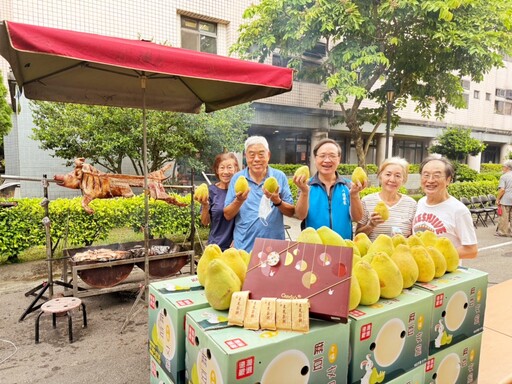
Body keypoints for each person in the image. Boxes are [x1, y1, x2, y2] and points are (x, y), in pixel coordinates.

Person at [224, 136, 295, 252]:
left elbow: (291, 212)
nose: (256, 159)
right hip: (244, 248)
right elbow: (227, 215)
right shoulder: (238, 178)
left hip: (274, 250)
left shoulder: (279, 177)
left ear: (268, 155)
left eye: (261, 154)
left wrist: (277, 201)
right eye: (251, 155)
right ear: (246, 157)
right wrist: (239, 201)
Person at [294, 138, 366, 239]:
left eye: (332, 156)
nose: (327, 160)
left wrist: (354, 195)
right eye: (322, 156)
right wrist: (305, 193)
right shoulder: (306, 185)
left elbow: (357, 218)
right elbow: (300, 216)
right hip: (314, 247)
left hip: (342, 247)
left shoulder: (349, 186)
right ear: (315, 159)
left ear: (339, 159)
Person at [412, 156, 478, 259]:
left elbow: (471, 251)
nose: (430, 180)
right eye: (426, 175)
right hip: (421, 270)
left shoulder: (459, 210)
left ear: (448, 180)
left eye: (436, 175)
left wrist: (436, 257)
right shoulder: (420, 203)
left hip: (445, 273)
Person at [355, 157, 417, 241]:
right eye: (388, 174)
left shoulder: (411, 204)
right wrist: (371, 225)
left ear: (403, 179)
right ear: (380, 176)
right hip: (373, 253)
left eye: (397, 176)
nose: (392, 179)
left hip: (400, 252)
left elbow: (414, 237)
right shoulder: (367, 201)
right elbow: (358, 236)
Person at [195, 152, 240, 250]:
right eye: (222, 168)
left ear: (236, 169)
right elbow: (205, 222)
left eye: (229, 167)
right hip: (215, 247)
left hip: (237, 247)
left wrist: (238, 239)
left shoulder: (241, 192)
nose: (225, 172)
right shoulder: (211, 191)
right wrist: (206, 206)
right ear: (217, 170)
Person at [496, 159, 512, 237]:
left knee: (504, 217)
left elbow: (502, 190)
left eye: (503, 167)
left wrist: (497, 199)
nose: (502, 168)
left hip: (506, 200)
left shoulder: (504, 177)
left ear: (507, 168)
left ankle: (503, 232)